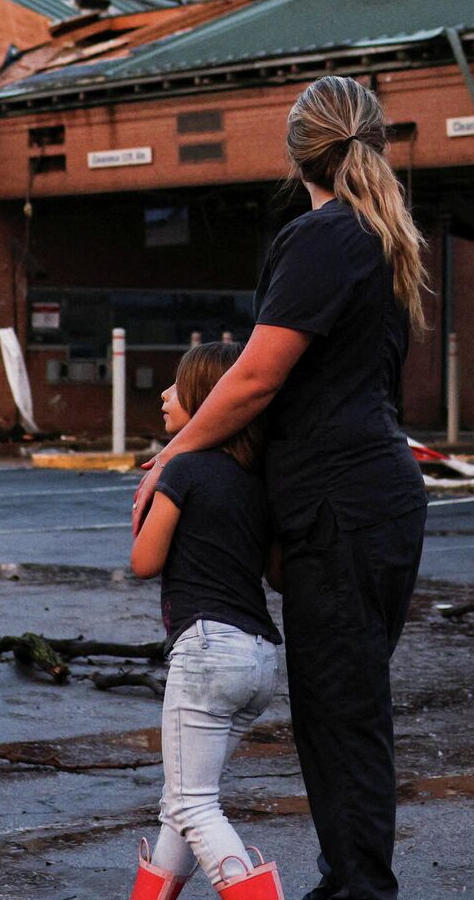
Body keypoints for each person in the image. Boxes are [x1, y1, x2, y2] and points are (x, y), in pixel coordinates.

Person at [133, 75, 430, 900]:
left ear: (298, 152)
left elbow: (258, 377)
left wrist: (172, 457)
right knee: (348, 712)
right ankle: (356, 886)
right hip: (371, 500)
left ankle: (357, 893)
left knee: (339, 717)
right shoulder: (375, 236)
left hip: (344, 506)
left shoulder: (325, 236)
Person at [129, 341, 285, 900]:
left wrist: (144, 505)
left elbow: (144, 563)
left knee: (194, 804)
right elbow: (279, 576)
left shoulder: (185, 468)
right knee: (183, 805)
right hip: (260, 659)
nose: (164, 395)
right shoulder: (259, 479)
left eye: (176, 386)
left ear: (208, 399)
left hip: (205, 652)